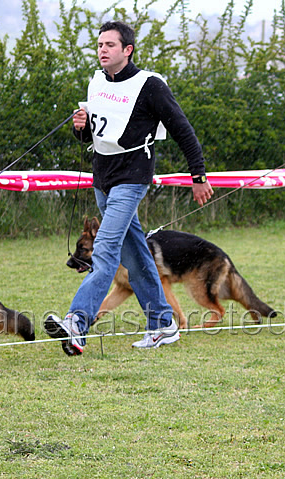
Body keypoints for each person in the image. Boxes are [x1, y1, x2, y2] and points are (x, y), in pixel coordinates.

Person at [44, 21, 213, 355]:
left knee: (105, 251)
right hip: (102, 180)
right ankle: (163, 323)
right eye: (99, 45)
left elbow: (183, 130)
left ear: (127, 50)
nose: (102, 50)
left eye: (109, 45)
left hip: (132, 179)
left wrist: (199, 176)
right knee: (135, 255)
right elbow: (95, 136)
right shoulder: (97, 82)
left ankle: (77, 322)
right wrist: (81, 128)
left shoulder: (149, 85)